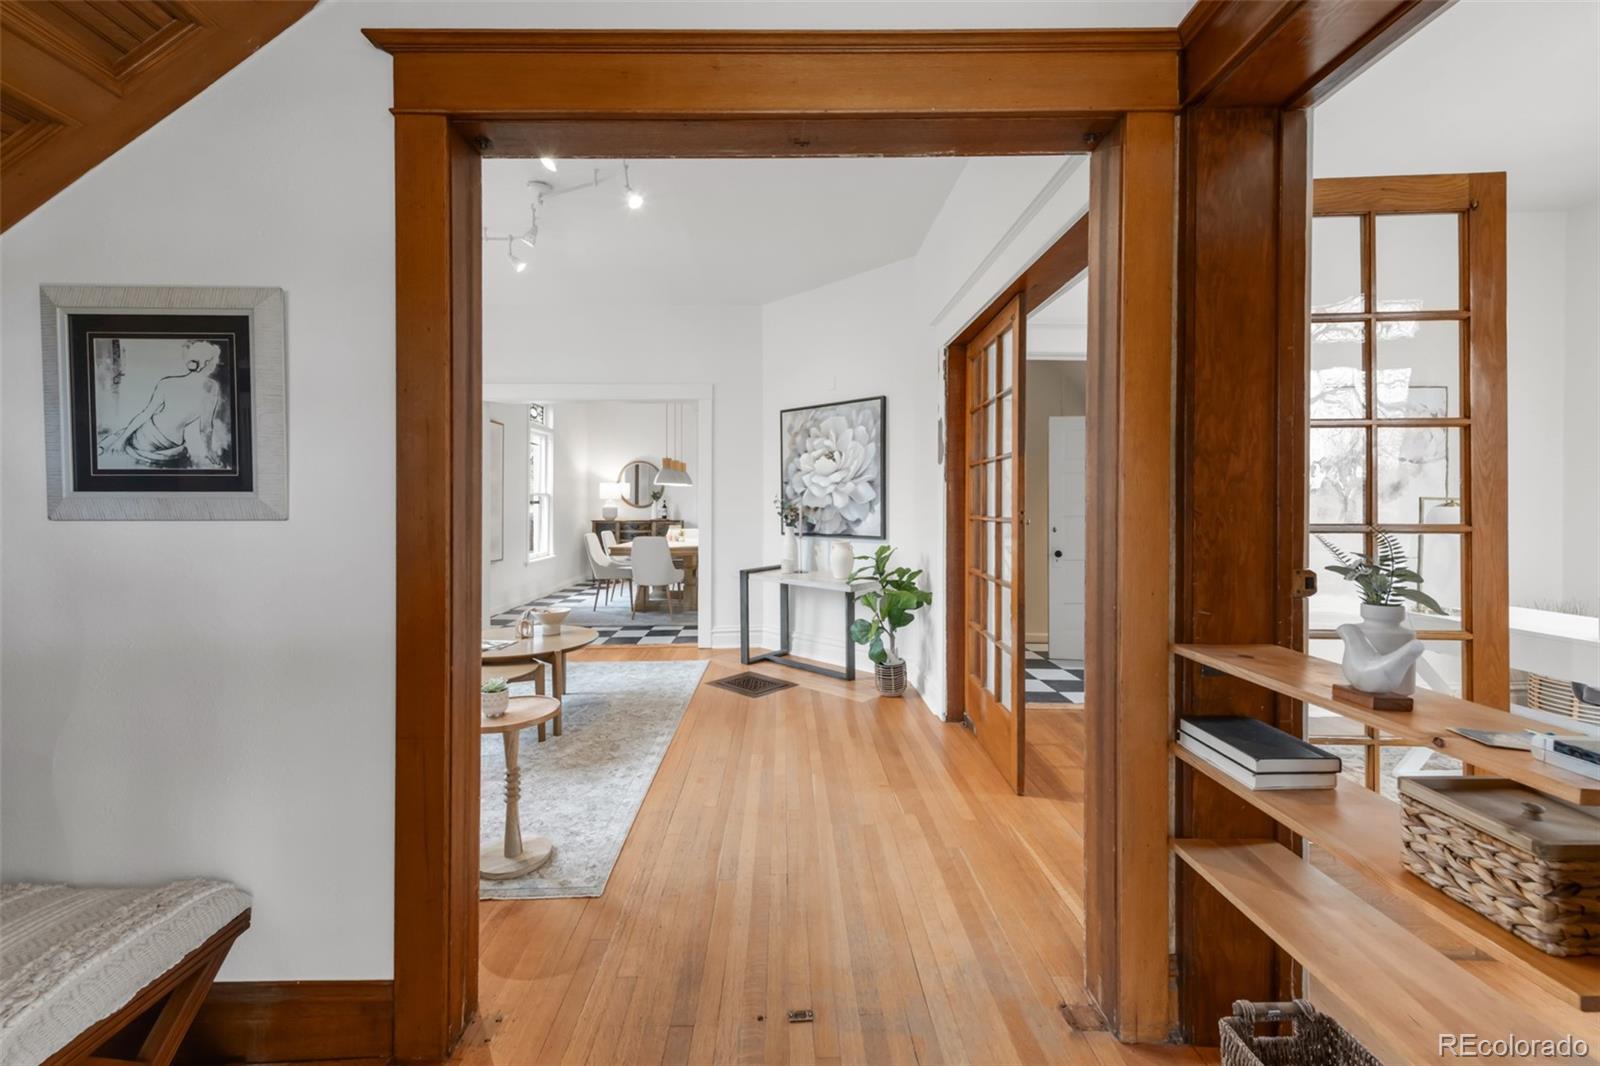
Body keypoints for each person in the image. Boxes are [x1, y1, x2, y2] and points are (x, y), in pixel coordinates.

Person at [100, 340, 231, 469]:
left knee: (123, 437)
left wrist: (121, 440)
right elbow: (205, 428)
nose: (216, 365)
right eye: (215, 362)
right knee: (121, 439)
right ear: (207, 363)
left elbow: (146, 414)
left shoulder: (167, 383)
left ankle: (111, 442)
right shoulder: (212, 388)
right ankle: (112, 442)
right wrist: (209, 452)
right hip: (173, 444)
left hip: (148, 437)